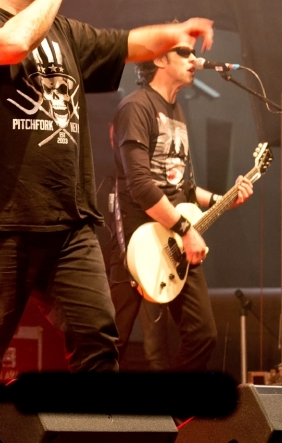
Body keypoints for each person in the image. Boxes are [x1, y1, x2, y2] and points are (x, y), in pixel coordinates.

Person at [0, 0, 217, 382]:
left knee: (98, 341)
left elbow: (126, 44)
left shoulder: (63, 33)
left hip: (69, 222)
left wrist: (176, 33)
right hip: (0, 221)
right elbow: (14, 44)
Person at [108, 36, 253, 371]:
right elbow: (141, 185)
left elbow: (181, 187)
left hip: (175, 236)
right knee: (110, 343)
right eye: (183, 52)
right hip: (139, 241)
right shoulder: (136, 107)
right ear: (159, 60)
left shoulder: (176, 112)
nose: (193, 59)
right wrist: (186, 230)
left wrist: (222, 199)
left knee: (202, 335)